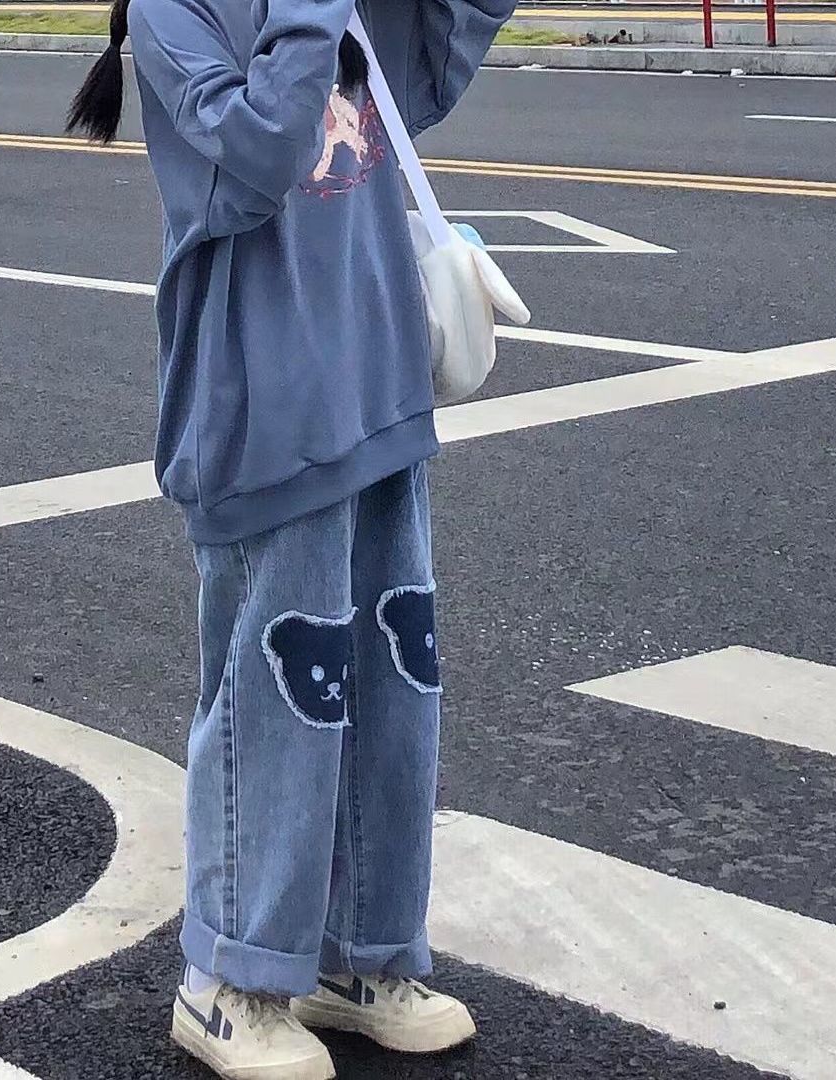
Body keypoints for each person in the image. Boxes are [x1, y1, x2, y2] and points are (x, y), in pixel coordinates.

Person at [68, 1, 514, 1077]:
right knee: (276, 704)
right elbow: (261, 155)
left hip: (378, 387)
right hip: (262, 410)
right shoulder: (176, 17)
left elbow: (438, 63)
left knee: (394, 688)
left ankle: (360, 956)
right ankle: (228, 979)